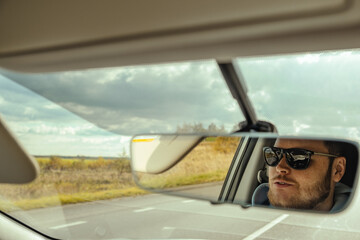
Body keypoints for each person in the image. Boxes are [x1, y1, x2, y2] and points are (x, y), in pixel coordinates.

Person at [252, 138, 352, 212]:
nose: (279, 167)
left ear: (337, 170)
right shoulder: (257, 207)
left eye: (299, 157)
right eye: (273, 154)